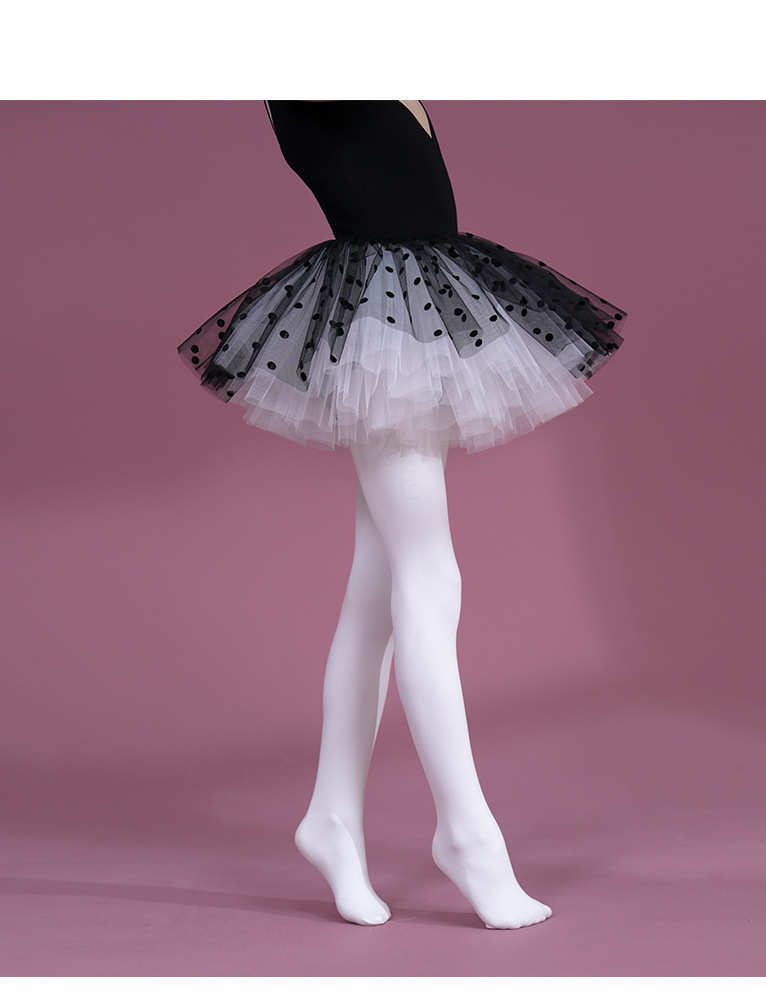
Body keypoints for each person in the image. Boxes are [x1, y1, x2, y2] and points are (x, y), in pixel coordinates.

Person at [177, 100, 626, 928]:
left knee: (378, 590)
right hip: (383, 330)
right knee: (431, 578)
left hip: (414, 317)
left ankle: (331, 817)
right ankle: (468, 837)